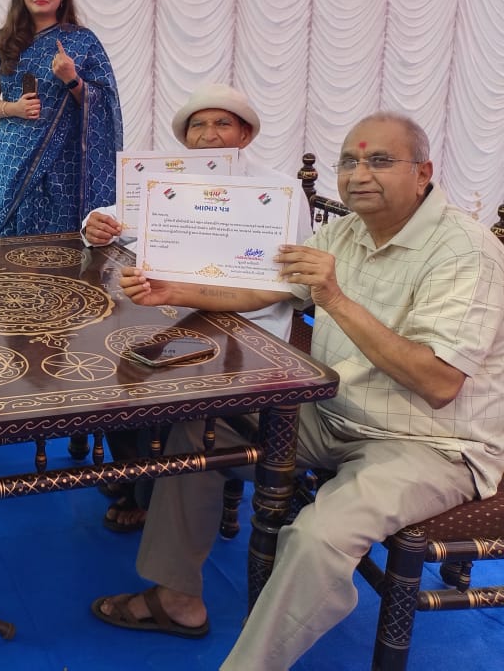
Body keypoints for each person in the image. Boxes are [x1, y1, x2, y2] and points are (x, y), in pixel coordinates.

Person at [92, 113, 504, 671]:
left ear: (423, 173)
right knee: (199, 429)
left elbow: (437, 382)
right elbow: (266, 285)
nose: (359, 175)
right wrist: (175, 288)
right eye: (350, 162)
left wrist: (333, 297)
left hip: (428, 442)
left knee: (317, 538)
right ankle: (176, 598)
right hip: (333, 412)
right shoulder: (347, 229)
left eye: (380, 160)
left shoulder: (465, 251)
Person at [85, 83, 312, 533]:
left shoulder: (280, 190)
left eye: (222, 123)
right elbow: (107, 220)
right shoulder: (165, 183)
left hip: (247, 328)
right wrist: (95, 224)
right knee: (111, 367)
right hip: (171, 315)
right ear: (186, 139)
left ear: (245, 134)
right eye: (198, 125)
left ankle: (150, 488)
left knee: (159, 380)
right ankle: (141, 475)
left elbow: (295, 279)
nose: (209, 134)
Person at [0, 0, 123, 237]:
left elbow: (104, 103)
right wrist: (14, 108)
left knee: (61, 237)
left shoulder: (83, 41)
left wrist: (72, 79)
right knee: (12, 235)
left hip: (64, 159)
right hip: (14, 154)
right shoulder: (3, 42)